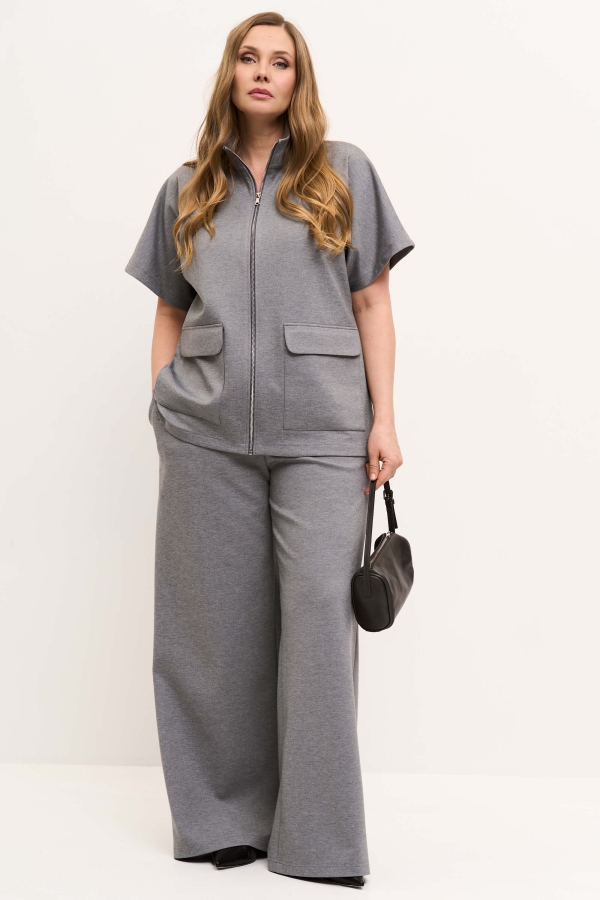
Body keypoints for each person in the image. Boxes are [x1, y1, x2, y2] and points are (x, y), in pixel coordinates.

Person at [124, 11, 414, 891]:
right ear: (230, 74)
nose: (262, 72)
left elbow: (372, 303)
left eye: (280, 61)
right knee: (210, 629)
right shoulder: (188, 187)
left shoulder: (343, 172)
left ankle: (320, 843)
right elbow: (169, 310)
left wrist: (384, 419)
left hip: (324, 433)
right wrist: (163, 404)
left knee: (320, 624)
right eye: (248, 58)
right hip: (205, 434)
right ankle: (221, 820)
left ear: (298, 80)